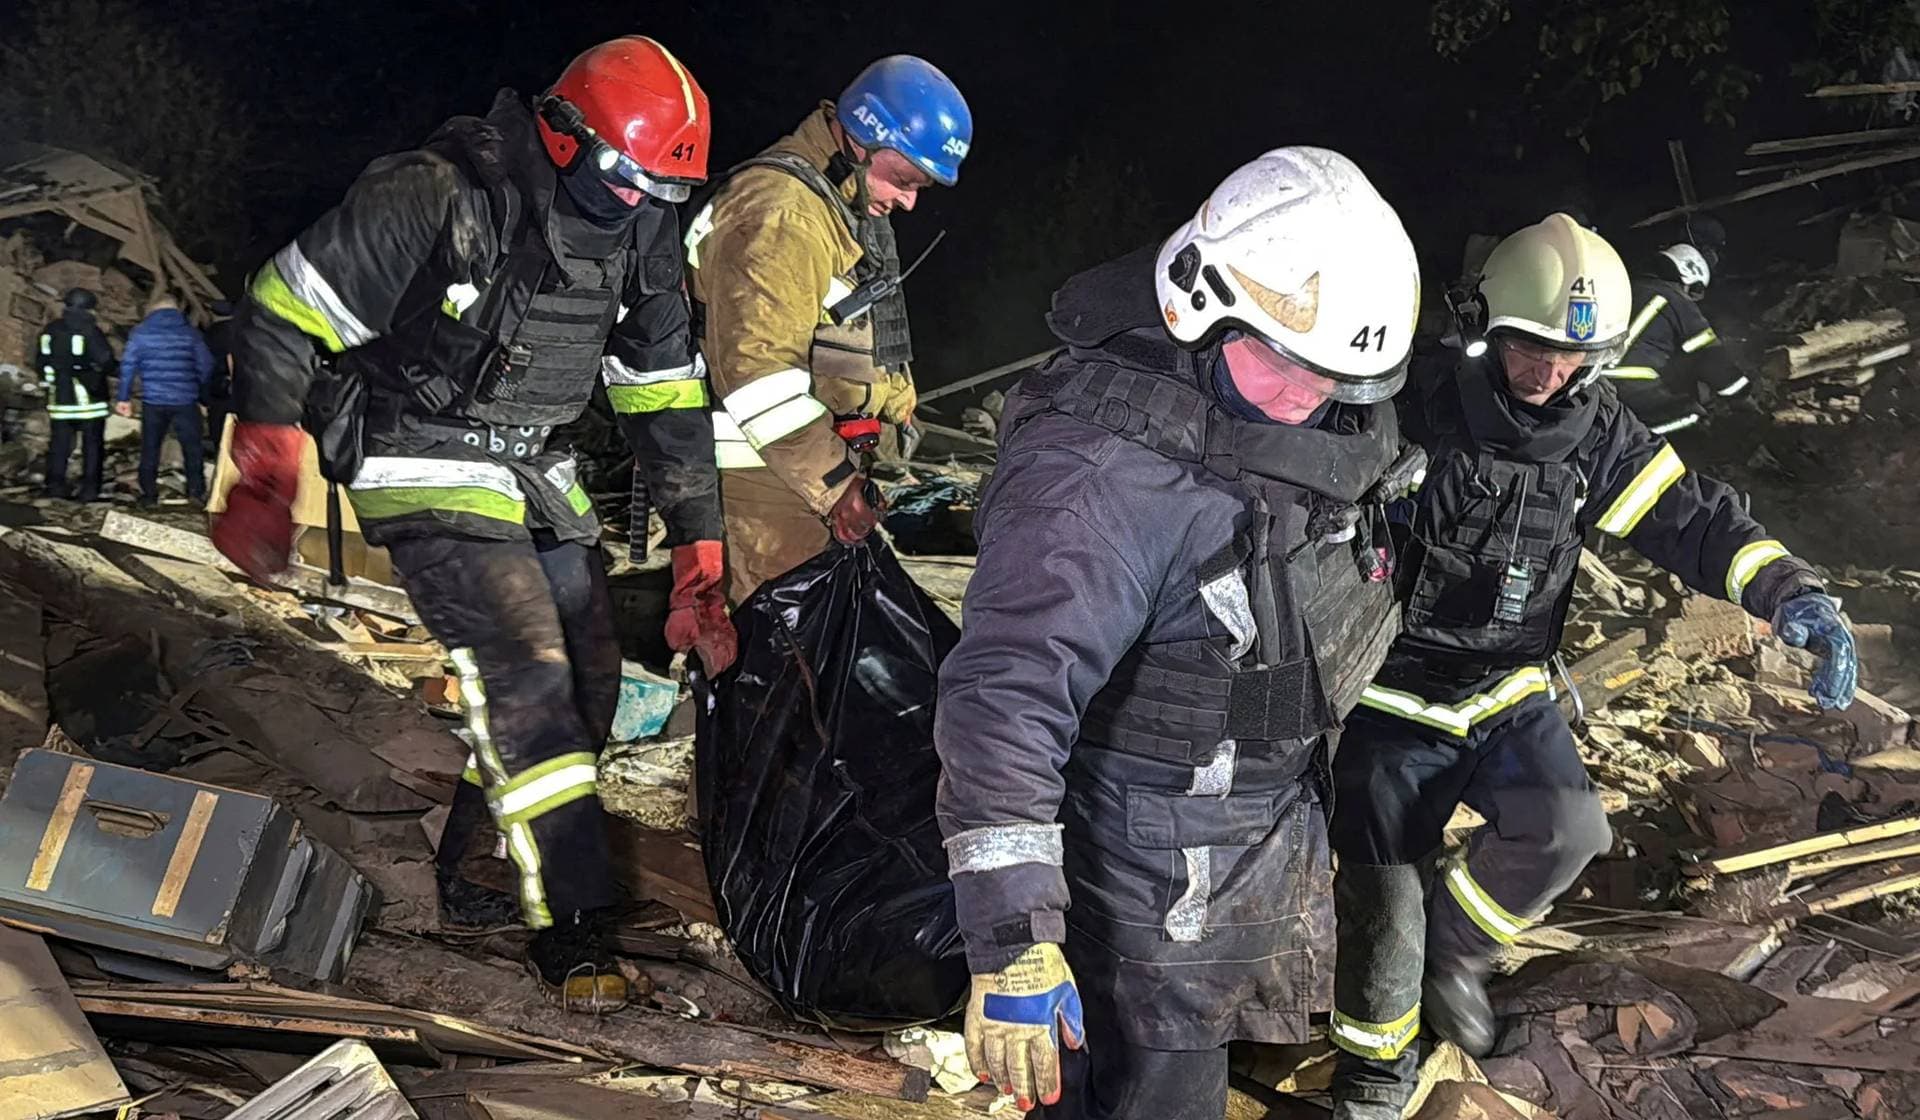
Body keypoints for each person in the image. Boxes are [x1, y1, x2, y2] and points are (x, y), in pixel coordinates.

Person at [217, 36, 733, 1012]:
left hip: (525, 458)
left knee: (583, 684)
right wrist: (262, 470)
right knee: (528, 672)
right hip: (414, 442)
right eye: (626, 181)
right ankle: (572, 928)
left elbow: (662, 389)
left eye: (661, 198)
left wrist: (699, 543)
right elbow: (285, 308)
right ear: (563, 133)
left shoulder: (638, 226)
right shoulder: (437, 193)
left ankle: (483, 872)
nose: (636, 206)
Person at [1327, 214, 1857, 1120]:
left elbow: (1691, 519)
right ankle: (1373, 1076)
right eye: (1532, 350)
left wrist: (1788, 590)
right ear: (1486, 323)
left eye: (1576, 358)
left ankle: (1454, 950)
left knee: (1569, 832)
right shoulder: (1404, 403)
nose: (1551, 376)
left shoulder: (1596, 429)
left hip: (1507, 688)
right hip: (1388, 695)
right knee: (1383, 903)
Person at [935, 148, 1425, 1119]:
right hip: (1133, 896)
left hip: (1221, 866)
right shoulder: (1103, 473)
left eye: (1332, 380)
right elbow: (1007, 695)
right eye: (1284, 363)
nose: (1304, 397)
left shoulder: (1293, 421)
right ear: (1200, 304)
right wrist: (1015, 939)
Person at [685, 55, 969, 601]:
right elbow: (759, 376)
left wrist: (892, 405)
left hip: (800, 479)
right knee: (780, 663)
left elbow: (837, 332)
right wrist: (836, 486)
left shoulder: (836, 205)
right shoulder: (782, 213)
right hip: (766, 489)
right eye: (905, 179)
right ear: (862, 138)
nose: (908, 201)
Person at [1603, 237, 1745, 436]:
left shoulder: (1628, 288)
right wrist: (1743, 393)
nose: (1692, 298)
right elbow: (1710, 357)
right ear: (1688, 276)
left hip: (1595, 386)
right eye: (1695, 291)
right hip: (1632, 389)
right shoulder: (1675, 299)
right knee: (1694, 419)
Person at [116, 292, 216, 505]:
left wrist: (123, 398)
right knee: (192, 448)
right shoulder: (190, 333)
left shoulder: (140, 333)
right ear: (176, 310)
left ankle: (149, 495)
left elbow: (127, 366)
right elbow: (206, 365)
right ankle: (196, 492)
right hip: (185, 400)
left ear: (152, 309)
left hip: (153, 401)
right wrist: (198, 387)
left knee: (150, 448)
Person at [38, 287, 116, 502]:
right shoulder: (91, 330)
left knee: (59, 445)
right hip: (89, 400)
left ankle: (54, 486)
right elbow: (105, 360)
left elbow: (40, 361)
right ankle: (89, 490)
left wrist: (48, 384)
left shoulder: (50, 329)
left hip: (60, 400)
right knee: (92, 447)